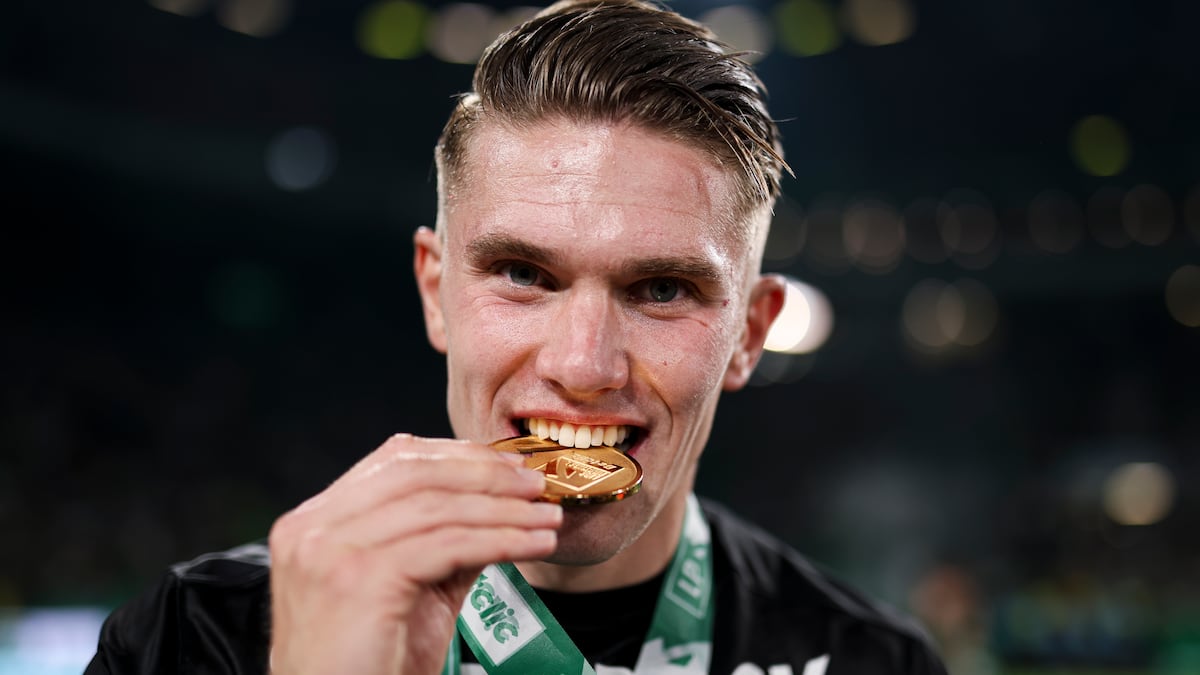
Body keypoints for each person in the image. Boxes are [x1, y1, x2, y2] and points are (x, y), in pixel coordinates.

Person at [87, 1, 948, 673]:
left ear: (749, 335)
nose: (583, 365)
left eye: (661, 289)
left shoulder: (872, 660)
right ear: (436, 292)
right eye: (524, 274)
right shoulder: (194, 638)